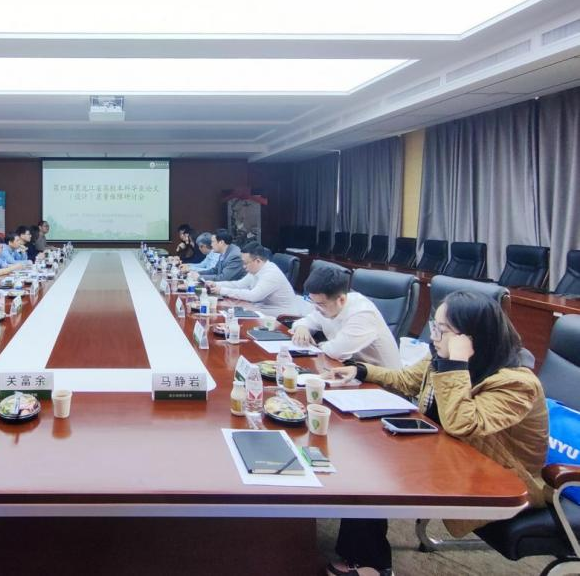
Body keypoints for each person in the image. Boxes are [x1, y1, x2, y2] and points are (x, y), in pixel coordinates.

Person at [323, 291, 548, 576]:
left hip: (496, 474)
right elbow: (407, 379)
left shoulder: (516, 383)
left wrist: (456, 363)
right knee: (365, 452)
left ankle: (373, 564)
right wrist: (360, 371)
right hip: (448, 451)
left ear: (472, 339)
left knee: (373, 473)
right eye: (434, 326)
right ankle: (358, 552)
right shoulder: (442, 356)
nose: (434, 336)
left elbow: (461, 423)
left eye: (443, 330)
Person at [290, 265, 400, 369]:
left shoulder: (362, 313)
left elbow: (336, 351)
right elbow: (307, 321)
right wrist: (302, 328)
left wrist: (317, 345)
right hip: (351, 368)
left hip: (380, 378)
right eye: (312, 301)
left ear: (341, 300)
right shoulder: (328, 305)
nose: (316, 308)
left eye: (320, 304)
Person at [210, 244, 307, 317]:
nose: (243, 267)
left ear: (258, 261)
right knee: (233, 309)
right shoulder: (256, 270)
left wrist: (222, 290)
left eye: (245, 263)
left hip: (283, 316)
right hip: (264, 307)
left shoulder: (271, 274)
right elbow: (239, 284)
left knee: (235, 313)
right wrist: (216, 284)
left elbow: (253, 296)